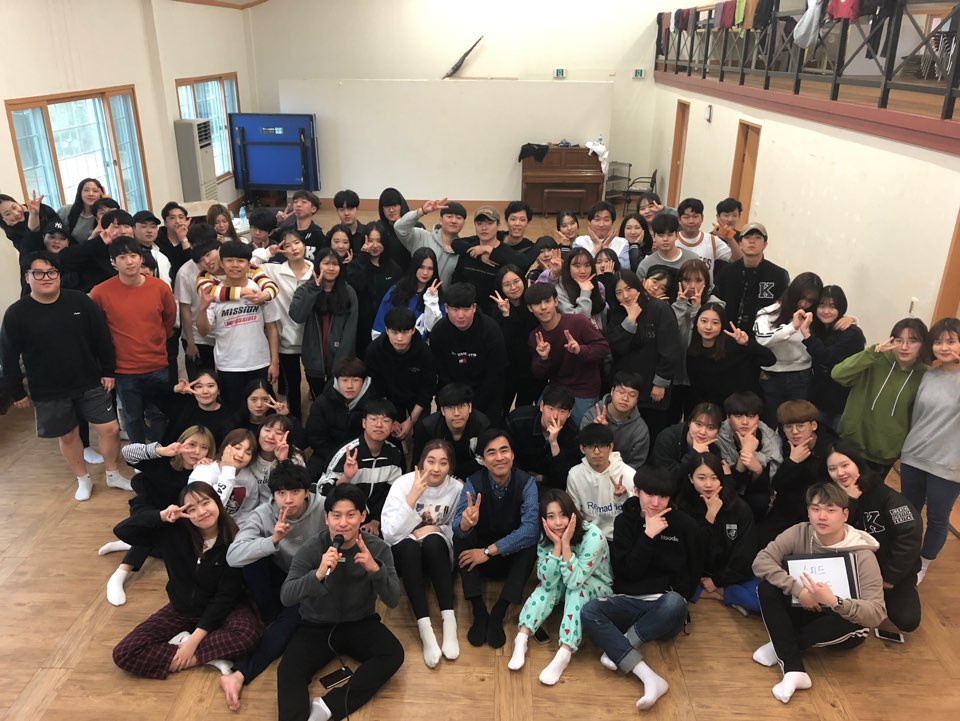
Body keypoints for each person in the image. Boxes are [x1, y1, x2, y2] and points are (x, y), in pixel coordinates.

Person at [1, 252, 125, 501]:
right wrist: (17, 391)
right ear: (27, 277)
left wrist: (108, 371)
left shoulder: (79, 301)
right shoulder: (16, 313)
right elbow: (9, 356)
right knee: (68, 435)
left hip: (89, 380)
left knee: (110, 429)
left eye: (52, 272)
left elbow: (102, 338)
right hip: (48, 388)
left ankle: (113, 473)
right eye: (38, 273)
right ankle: (83, 479)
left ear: (59, 275)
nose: (46, 277)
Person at [277, 483, 404, 721]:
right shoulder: (311, 548)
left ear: (363, 516)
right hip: (316, 625)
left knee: (393, 654)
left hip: (361, 622)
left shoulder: (378, 548)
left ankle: (327, 707)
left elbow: (393, 599)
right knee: (288, 670)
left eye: (350, 515)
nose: (343, 523)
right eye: (336, 516)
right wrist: (317, 574)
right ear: (326, 518)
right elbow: (287, 596)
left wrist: (375, 570)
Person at [581, 466, 702, 712]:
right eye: (650, 494)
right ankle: (648, 676)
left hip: (665, 606)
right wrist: (648, 536)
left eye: (663, 496)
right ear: (636, 491)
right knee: (589, 611)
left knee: (675, 602)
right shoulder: (624, 522)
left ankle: (622, 645)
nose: (656, 502)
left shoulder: (685, 525)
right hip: (630, 600)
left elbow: (694, 570)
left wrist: (678, 595)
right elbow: (627, 573)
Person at [751, 482, 885, 704]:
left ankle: (784, 650)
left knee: (846, 621)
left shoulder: (863, 555)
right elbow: (761, 561)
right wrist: (799, 590)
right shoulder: (800, 532)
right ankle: (794, 668)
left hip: (839, 619)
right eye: (815, 509)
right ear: (808, 512)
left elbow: (877, 613)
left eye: (830, 510)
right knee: (767, 588)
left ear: (844, 515)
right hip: (803, 605)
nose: (822, 516)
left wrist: (835, 602)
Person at [111, 481, 260, 680]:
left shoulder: (235, 539)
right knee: (125, 653)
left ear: (217, 502)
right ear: (184, 512)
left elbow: (226, 596)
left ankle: (191, 651)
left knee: (246, 635)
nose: (201, 512)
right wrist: (160, 516)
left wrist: (193, 642)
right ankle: (210, 656)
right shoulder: (173, 532)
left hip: (224, 609)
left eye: (205, 503)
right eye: (192, 509)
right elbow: (123, 531)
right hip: (182, 608)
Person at [222, 461, 327, 712]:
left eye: (295, 492)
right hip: (277, 576)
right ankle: (269, 616)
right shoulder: (264, 513)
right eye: (281, 493)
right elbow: (232, 557)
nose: (288, 500)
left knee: (289, 623)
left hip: (309, 579)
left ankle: (239, 673)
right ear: (273, 494)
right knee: (251, 557)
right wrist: (273, 540)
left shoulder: (325, 507)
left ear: (307, 491)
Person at [507, 488, 613, 685]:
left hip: (595, 585)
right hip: (568, 580)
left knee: (576, 589)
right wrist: (556, 546)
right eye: (551, 516)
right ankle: (522, 638)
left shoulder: (593, 536)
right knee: (546, 588)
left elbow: (575, 581)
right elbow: (547, 581)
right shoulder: (546, 535)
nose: (557, 522)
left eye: (563, 515)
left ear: (573, 513)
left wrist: (565, 545)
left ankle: (565, 651)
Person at [102, 425, 216, 606]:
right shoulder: (162, 460)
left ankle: (131, 542)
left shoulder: (203, 472)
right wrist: (161, 451)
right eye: (192, 444)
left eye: (204, 448)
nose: (196, 452)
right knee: (159, 529)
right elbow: (127, 453)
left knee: (173, 544)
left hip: (175, 517)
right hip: (149, 510)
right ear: (181, 443)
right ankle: (120, 573)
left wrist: (206, 472)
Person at [381, 440, 464, 668]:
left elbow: (456, 528)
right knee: (410, 547)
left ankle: (449, 621)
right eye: (431, 461)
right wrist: (412, 498)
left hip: (436, 554)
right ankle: (425, 627)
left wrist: (436, 529)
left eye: (443, 463)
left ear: (450, 466)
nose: (436, 468)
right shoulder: (403, 483)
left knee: (434, 542)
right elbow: (389, 534)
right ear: (421, 463)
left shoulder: (456, 489)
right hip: (405, 554)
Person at [453, 429, 539, 649]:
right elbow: (457, 528)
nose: (499, 457)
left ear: (513, 454)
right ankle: (478, 610)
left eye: (504, 450)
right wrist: (465, 524)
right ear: (482, 459)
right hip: (479, 558)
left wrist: (488, 551)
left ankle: (500, 611)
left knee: (530, 543)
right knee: (460, 537)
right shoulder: (473, 483)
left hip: (506, 556)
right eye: (491, 453)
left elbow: (530, 529)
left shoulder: (526, 483)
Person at [825, 441, 921, 636]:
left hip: (888, 573)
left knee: (907, 619)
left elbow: (909, 537)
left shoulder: (888, 497)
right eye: (832, 468)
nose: (840, 473)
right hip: (853, 569)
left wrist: (889, 578)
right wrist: (850, 502)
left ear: (858, 464)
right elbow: (830, 533)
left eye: (845, 465)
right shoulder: (832, 494)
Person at [90, 236, 177, 445]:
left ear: (141, 258)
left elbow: (168, 321)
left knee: (159, 413)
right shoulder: (100, 292)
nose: (129, 262)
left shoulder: (160, 288)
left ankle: (160, 453)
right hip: (124, 369)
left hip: (157, 364)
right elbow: (95, 331)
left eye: (133, 255)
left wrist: (155, 341)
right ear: (113, 262)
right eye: (122, 257)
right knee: (132, 416)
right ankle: (138, 457)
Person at [898, 316, 960, 584]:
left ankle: (923, 563)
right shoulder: (928, 374)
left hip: (948, 464)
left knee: (937, 517)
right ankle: (905, 555)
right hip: (914, 455)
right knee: (908, 511)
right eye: (938, 341)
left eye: (951, 341)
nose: (943, 347)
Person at [831, 317, 929, 480]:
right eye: (899, 340)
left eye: (913, 341)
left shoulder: (925, 375)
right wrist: (871, 353)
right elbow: (838, 374)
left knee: (870, 493)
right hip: (852, 442)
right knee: (840, 491)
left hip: (885, 451)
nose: (904, 347)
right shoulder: (875, 359)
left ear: (923, 344)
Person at [197, 240, 280, 411]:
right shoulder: (214, 294)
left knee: (261, 411)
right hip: (228, 365)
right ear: (222, 263)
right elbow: (204, 331)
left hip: (259, 362)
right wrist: (203, 309)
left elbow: (272, 328)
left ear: (249, 264)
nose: (235, 265)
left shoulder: (260, 291)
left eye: (240, 261)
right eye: (229, 260)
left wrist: (274, 362)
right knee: (232, 411)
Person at [605, 270, 683, 442]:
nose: (625, 296)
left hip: (653, 388)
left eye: (629, 289)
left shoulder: (660, 308)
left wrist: (661, 382)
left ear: (638, 286)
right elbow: (616, 347)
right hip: (625, 389)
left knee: (653, 434)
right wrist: (630, 321)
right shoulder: (616, 313)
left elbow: (671, 349)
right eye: (619, 292)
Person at [677, 452, 759, 613]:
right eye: (701, 478)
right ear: (691, 478)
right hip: (696, 575)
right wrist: (709, 518)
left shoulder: (739, 507)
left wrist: (717, 581)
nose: (708, 484)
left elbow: (745, 553)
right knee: (670, 586)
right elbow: (690, 550)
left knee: (760, 601)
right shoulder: (683, 506)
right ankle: (722, 595)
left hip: (731, 575)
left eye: (714, 478)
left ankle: (718, 593)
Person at [526, 282, 611, 426]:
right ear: (530, 308)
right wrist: (543, 358)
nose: (543, 307)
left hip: (584, 390)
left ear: (556, 301)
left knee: (580, 430)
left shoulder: (578, 322)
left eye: (547, 301)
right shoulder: (536, 336)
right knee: (541, 425)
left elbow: (603, 348)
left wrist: (580, 350)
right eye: (537, 304)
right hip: (556, 388)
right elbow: (538, 374)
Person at [319, 399, 405, 537]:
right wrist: (346, 478)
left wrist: (376, 521)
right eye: (373, 419)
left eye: (386, 421)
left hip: (377, 520)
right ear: (364, 423)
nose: (379, 425)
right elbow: (322, 489)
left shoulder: (394, 454)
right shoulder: (347, 452)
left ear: (393, 426)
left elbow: (392, 493)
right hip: (346, 518)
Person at [761, 400, 838, 546]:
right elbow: (777, 485)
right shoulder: (784, 444)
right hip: (788, 506)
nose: (794, 432)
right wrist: (792, 462)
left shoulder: (830, 448)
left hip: (820, 506)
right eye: (788, 427)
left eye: (800, 426)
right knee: (763, 541)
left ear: (813, 425)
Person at [428, 282, 508, 421]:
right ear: (446, 308)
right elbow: (440, 372)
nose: (461, 315)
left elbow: (496, 371)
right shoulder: (438, 332)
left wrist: (474, 404)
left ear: (474, 307)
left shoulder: (491, 330)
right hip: (452, 394)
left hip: (486, 394)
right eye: (455, 309)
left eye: (466, 309)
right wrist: (456, 402)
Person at [753, 272, 823, 426]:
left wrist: (852, 320)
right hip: (771, 376)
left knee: (797, 425)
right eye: (801, 297)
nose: (804, 304)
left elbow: (834, 322)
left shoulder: (813, 316)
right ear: (792, 292)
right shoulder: (768, 313)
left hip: (801, 376)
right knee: (770, 423)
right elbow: (762, 339)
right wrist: (792, 327)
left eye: (810, 300)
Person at [260, 229, 313, 419]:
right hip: (286, 341)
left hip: (311, 340)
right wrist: (269, 251)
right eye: (287, 245)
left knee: (314, 382)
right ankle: (295, 420)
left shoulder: (315, 271)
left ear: (304, 245)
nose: (294, 248)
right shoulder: (274, 271)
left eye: (297, 242)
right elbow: (250, 263)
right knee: (293, 385)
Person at [289, 248, 358, 394]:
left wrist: (341, 363)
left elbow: (350, 330)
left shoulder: (348, 292)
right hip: (313, 359)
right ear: (317, 265)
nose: (331, 268)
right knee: (318, 399)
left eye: (335, 264)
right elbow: (297, 316)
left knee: (338, 400)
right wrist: (314, 289)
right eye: (326, 263)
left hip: (340, 361)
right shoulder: (305, 289)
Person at [365, 307, 437, 444]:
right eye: (394, 332)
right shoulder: (374, 351)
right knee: (388, 430)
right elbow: (376, 388)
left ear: (413, 330)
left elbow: (427, 389)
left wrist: (411, 421)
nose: (399, 338)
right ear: (386, 330)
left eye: (405, 332)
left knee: (424, 429)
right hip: (389, 397)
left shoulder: (425, 353)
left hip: (416, 398)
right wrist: (391, 419)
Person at [686, 301, 776, 409]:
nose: (708, 327)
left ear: (722, 325)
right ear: (696, 322)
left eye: (715, 323)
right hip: (712, 410)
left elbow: (770, 359)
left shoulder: (735, 344)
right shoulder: (692, 350)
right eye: (704, 321)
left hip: (742, 407)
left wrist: (748, 343)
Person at [799, 285, 865, 430]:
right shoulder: (819, 327)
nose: (826, 311)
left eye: (832, 307)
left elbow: (828, 359)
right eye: (822, 306)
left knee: (836, 439)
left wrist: (807, 335)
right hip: (819, 398)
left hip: (841, 402)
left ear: (841, 308)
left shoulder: (852, 334)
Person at [451, 206, 533, 315]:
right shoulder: (469, 249)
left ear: (498, 225)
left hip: (497, 314)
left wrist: (490, 251)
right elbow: (456, 280)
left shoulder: (505, 253)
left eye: (489, 223)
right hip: (466, 312)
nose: (484, 228)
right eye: (479, 223)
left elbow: (523, 264)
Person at [716, 391, 783, 522]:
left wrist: (758, 470)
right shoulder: (718, 437)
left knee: (760, 501)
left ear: (758, 418)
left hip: (756, 492)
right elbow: (726, 486)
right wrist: (746, 452)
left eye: (751, 416)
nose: (745, 422)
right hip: (724, 491)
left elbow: (771, 485)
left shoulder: (770, 439)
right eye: (738, 416)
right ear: (728, 417)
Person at [304, 357, 376, 476]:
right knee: (307, 478)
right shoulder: (322, 403)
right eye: (344, 380)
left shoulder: (374, 405)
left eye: (356, 380)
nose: (350, 386)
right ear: (336, 381)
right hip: (327, 454)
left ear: (364, 382)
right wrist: (339, 458)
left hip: (362, 456)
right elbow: (316, 438)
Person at [713, 222, 790, 333]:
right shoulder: (725, 273)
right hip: (727, 334)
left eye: (758, 238)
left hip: (760, 337)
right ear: (740, 243)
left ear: (765, 244)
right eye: (747, 237)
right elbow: (716, 305)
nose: (752, 241)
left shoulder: (779, 275)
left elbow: (783, 309)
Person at [566, 422, 636, 539]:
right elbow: (574, 513)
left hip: (622, 536)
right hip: (589, 536)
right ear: (582, 449)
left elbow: (637, 514)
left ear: (611, 447)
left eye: (602, 445)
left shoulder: (629, 474)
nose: (597, 451)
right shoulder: (575, 475)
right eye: (590, 446)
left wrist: (624, 497)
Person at [505, 383, 580, 489]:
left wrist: (554, 443)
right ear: (541, 406)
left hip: (550, 485)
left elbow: (565, 476)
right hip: (517, 480)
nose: (555, 416)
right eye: (551, 408)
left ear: (569, 413)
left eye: (562, 411)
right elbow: (506, 458)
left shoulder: (572, 433)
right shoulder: (517, 421)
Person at [491, 264, 544, 412]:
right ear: (501, 288)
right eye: (507, 285)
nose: (513, 287)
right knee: (501, 409)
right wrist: (506, 315)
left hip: (531, 368)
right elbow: (503, 342)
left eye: (516, 281)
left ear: (523, 280)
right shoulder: (497, 310)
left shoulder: (533, 304)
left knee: (524, 409)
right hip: (507, 369)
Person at [412, 383, 490, 481]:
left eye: (461, 406)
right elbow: (419, 463)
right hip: (439, 474)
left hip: (473, 474)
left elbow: (485, 460)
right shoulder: (427, 427)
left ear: (470, 407)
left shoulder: (482, 425)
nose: (456, 413)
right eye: (450, 407)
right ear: (442, 410)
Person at [346, 223, 401, 357]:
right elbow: (357, 285)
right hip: (361, 326)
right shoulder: (356, 264)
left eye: (379, 241)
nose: (375, 245)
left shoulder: (394, 268)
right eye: (370, 241)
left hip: (386, 325)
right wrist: (363, 258)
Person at [579, 371, 652, 469]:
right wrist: (597, 432)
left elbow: (635, 465)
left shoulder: (640, 430)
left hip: (621, 476)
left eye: (632, 395)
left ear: (637, 399)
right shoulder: (591, 416)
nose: (625, 398)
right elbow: (582, 454)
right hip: (590, 471)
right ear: (612, 391)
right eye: (621, 392)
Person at [371, 246, 444, 341]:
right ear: (414, 267)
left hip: (422, 348)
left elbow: (435, 331)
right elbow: (379, 327)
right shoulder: (396, 291)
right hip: (393, 346)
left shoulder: (436, 297)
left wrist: (431, 301)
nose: (425, 272)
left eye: (430, 268)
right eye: (421, 267)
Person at [394, 197, 465, 285]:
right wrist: (422, 211)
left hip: (443, 294)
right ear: (441, 220)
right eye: (449, 216)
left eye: (459, 218)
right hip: (414, 292)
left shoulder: (463, 250)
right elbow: (399, 227)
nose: (454, 221)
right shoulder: (422, 237)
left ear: (463, 223)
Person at [650, 401, 724, 474]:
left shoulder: (714, 449)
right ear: (689, 423)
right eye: (698, 424)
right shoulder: (667, 438)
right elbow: (666, 476)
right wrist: (693, 453)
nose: (703, 432)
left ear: (718, 431)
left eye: (710, 428)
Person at [676, 197, 733, 279]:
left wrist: (730, 239)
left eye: (695, 216)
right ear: (679, 219)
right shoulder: (672, 241)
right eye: (686, 217)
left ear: (702, 218)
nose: (691, 221)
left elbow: (738, 259)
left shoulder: (712, 240)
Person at [636, 213, 697, 288]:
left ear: (677, 235)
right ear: (654, 237)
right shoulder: (645, 265)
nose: (665, 239)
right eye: (660, 235)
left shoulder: (693, 260)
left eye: (670, 235)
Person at [556, 247, 607, 329]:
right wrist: (585, 294)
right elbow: (580, 322)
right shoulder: (559, 291)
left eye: (587, 265)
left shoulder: (596, 286)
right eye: (577, 266)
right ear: (568, 267)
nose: (583, 271)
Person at [572, 200, 630, 269]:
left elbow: (625, 268)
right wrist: (597, 247)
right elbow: (579, 267)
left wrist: (605, 248)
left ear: (612, 222)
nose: (601, 224)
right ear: (589, 222)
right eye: (597, 219)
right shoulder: (579, 242)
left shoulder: (622, 243)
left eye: (606, 220)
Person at [376, 186, 415, 267]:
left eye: (395, 205)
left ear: (401, 206)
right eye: (387, 206)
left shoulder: (414, 227)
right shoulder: (378, 228)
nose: (391, 210)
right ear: (382, 209)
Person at [59, 177, 106, 244]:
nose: (91, 194)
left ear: (101, 194)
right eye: (86, 190)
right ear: (80, 193)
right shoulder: (66, 210)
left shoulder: (103, 214)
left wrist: (107, 203)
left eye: (95, 191)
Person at [277, 190, 325, 255]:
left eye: (304, 202)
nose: (298, 205)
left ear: (313, 209)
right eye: (295, 202)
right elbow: (267, 239)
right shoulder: (285, 231)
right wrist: (277, 222)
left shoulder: (318, 234)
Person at [331, 189, 367, 254]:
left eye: (350, 209)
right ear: (337, 211)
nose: (346, 213)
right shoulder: (332, 234)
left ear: (357, 209)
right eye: (342, 210)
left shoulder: (366, 233)